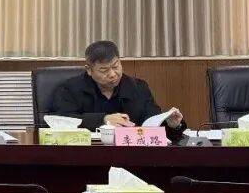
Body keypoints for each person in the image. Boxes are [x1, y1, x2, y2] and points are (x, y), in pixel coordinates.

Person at [49, 40, 186, 141]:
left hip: (131, 156)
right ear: (89, 70)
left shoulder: (138, 87)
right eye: (104, 70)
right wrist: (103, 119)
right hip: (88, 156)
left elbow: (152, 122)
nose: (112, 74)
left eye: (115, 66)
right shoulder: (71, 88)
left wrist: (173, 125)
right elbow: (61, 120)